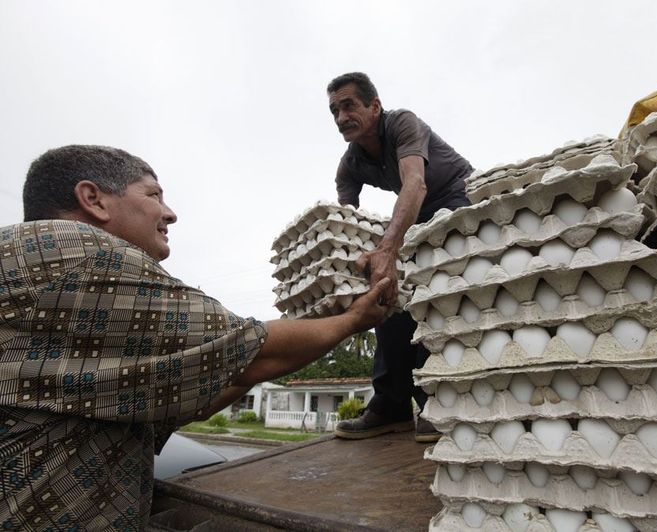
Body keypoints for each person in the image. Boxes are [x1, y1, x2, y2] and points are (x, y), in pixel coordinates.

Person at [0, 145, 392, 530]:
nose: (170, 213)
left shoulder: (42, 282)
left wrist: (296, 329)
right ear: (93, 199)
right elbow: (253, 355)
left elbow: (211, 386)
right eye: (154, 194)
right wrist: (353, 319)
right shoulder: (82, 253)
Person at [327, 72, 474, 442]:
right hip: (417, 214)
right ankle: (391, 403)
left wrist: (389, 248)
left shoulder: (402, 124)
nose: (341, 117)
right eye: (334, 111)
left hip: (457, 198)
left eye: (348, 105)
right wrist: (346, 278)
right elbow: (345, 224)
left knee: (432, 290)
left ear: (374, 106)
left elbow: (415, 183)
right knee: (385, 291)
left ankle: (436, 401)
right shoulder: (350, 165)